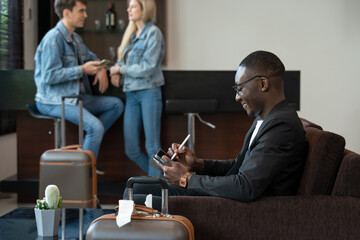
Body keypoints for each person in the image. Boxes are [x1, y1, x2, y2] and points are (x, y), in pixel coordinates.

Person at [128, 51, 309, 209]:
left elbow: (245, 186)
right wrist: (198, 164)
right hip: (233, 200)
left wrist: (186, 178)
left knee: (135, 196)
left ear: (263, 84)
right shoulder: (266, 119)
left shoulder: (281, 126)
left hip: (242, 209)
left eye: (240, 89)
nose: (237, 97)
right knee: (137, 188)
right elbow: (239, 166)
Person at [34, 0, 124, 175]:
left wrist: (100, 68)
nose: (86, 15)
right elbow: (49, 76)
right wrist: (82, 69)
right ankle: (83, 173)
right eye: (81, 11)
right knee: (95, 127)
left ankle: (85, 150)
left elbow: (91, 57)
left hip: (75, 97)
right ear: (66, 13)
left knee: (116, 105)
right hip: (52, 100)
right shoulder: (53, 39)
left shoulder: (75, 38)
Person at [109, 0, 165, 177]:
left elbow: (148, 67)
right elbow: (122, 59)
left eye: (133, 6)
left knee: (152, 148)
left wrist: (121, 69)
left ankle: (155, 193)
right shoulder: (131, 35)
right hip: (131, 94)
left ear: (144, 8)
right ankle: (161, 179)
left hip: (149, 92)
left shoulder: (153, 33)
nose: (128, 9)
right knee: (131, 149)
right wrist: (115, 70)